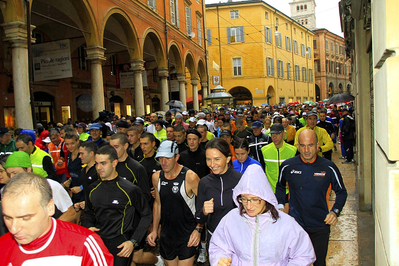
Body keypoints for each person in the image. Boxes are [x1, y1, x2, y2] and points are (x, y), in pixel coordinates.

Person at [209, 164, 316, 266]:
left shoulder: (285, 223)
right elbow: (218, 246)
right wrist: (220, 259)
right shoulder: (232, 219)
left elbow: (303, 255)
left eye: (255, 200)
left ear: (266, 198)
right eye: (244, 199)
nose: (249, 205)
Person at [0, 172, 114, 265]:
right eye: (8, 218)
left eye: (25, 218)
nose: (14, 229)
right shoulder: (2, 246)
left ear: (50, 207)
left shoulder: (85, 245)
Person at [276, 129, 348, 266]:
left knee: (319, 262)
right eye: (303, 145)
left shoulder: (328, 167)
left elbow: (342, 192)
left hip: (320, 226)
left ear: (317, 145)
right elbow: (280, 186)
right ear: (298, 145)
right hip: (295, 225)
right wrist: (280, 206)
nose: (307, 150)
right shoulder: (287, 166)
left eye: (310, 145)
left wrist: (335, 211)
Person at [84, 145, 152, 266]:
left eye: (103, 163)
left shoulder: (130, 189)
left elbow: (146, 215)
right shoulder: (92, 188)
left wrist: (133, 241)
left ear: (114, 163)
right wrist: (88, 226)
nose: (99, 168)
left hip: (121, 244)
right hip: (98, 242)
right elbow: (88, 212)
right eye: (97, 163)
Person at [147, 140, 202, 266]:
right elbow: (158, 204)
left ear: (177, 157)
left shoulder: (190, 177)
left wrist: (198, 229)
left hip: (187, 234)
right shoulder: (156, 177)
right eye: (161, 158)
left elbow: (203, 205)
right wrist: (155, 230)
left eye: (168, 158)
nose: (163, 162)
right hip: (167, 234)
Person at [2, 151, 77, 223]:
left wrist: (48, 230)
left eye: (15, 173)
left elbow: (71, 214)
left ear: (28, 169)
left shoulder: (51, 186)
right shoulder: (7, 192)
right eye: (9, 174)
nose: (12, 178)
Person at [195, 138, 242, 235]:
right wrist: (204, 212)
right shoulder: (204, 182)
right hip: (214, 237)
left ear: (228, 158)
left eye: (217, 159)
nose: (212, 164)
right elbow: (198, 218)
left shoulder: (241, 180)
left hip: (237, 237)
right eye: (208, 159)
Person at [110, 133, 151, 203]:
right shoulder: (108, 166)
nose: (113, 150)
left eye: (116, 147)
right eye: (111, 147)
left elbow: (145, 196)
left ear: (125, 146)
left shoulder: (136, 168)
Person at [261, 123, 297, 193]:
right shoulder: (264, 150)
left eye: (277, 134)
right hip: (270, 192)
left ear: (284, 134)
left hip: (288, 192)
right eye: (272, 134)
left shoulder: (293, 150)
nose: (274, 137)